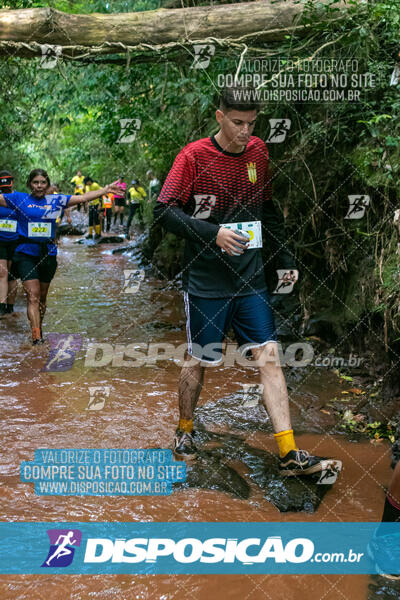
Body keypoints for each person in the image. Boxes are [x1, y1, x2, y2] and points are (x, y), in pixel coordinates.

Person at [154, 86, 339, 477]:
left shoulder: (258, 152)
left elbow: (267, 209)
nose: (245, 131)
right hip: (206, 280)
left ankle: (289, 453)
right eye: (237, 122)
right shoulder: (193, 156)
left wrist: (284, 262)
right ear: (219, 116)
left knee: (270, 358)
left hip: (251, 278)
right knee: (200, 358)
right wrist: (213, 234)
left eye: (251, 123)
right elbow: (165, 212)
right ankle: (185, 430)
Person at [0, 168, 121, 344]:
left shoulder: (56, 200)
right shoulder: (19, 199)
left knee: (41, 297)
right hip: (25, 253)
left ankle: (38, 327)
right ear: (29, 184)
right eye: (35, 182)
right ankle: (36, 337)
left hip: (48, 254)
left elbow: (83, 198)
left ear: (47, 184)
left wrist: (105, 190)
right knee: (32, 296)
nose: (39, 186)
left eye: (43, 182)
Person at [0, 170, 19, 317]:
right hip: (1, 241)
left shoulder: (18, 198)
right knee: (2, 273)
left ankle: (10, 307)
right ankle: (2, 304)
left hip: (16, 240)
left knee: (12, 274)